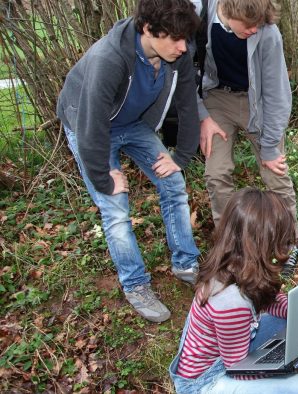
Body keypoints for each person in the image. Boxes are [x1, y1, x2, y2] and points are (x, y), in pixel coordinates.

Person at [57, 0, 202, 323]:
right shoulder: (108, 59)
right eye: (175, 39)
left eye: (185, 39)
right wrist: (104, 178)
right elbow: (91, 124)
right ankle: (135, 284)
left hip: (131, 123)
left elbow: (188, 104)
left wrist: (180, 156)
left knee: (174, 182)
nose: (183, 47)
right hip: (88, 124)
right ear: (149, 30)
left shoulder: (176, 52)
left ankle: (186, 263)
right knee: (116, 206)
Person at [168, 188, 298, 393]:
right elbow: (239, 371)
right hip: (206, 381)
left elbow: (272, 300)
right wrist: (297, 359)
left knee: (290, 322)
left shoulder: (235, 264)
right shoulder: (231, 303)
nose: (288, 249)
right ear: (265, 244)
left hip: (229, 353)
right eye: (284, 241)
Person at [195, 0, 298, 274]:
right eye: (249, 25)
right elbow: (183, 71)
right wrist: (202, 116)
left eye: (259, 24)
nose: (255, 30)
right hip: (216, 99)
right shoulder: (199, 14)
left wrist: (269, 148)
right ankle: (229, 244)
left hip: (259, 103)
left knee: (274, 172)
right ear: (229, 12)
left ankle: (289, 243)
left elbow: (277, 95)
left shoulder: (268, 33)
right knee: (216, 174)